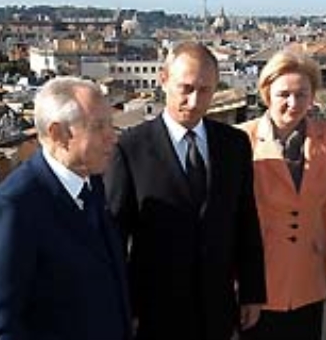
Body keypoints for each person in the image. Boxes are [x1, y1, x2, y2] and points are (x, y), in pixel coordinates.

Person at [104, 41, 266, 340]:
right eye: (186, 88)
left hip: (217, 310)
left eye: (205, 90)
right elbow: (115, 234)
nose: (194, 101)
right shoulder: (130, 148)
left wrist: (252, 292)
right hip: (155, 313)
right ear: (163, 79)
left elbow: (246, 221)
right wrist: (123, 307)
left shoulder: (234, 145)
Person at [0, 76, 131, 340]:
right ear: (59, 134)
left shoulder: (93, 182)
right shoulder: (15, 207)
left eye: (110, 124)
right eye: (99, 126)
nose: (113, 137)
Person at [237, 50, 326, 340]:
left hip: (308, 276)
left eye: (302, 94)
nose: (293, 103)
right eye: (284, 94)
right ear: (266, 94)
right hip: (257, 282)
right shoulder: (240, 140)